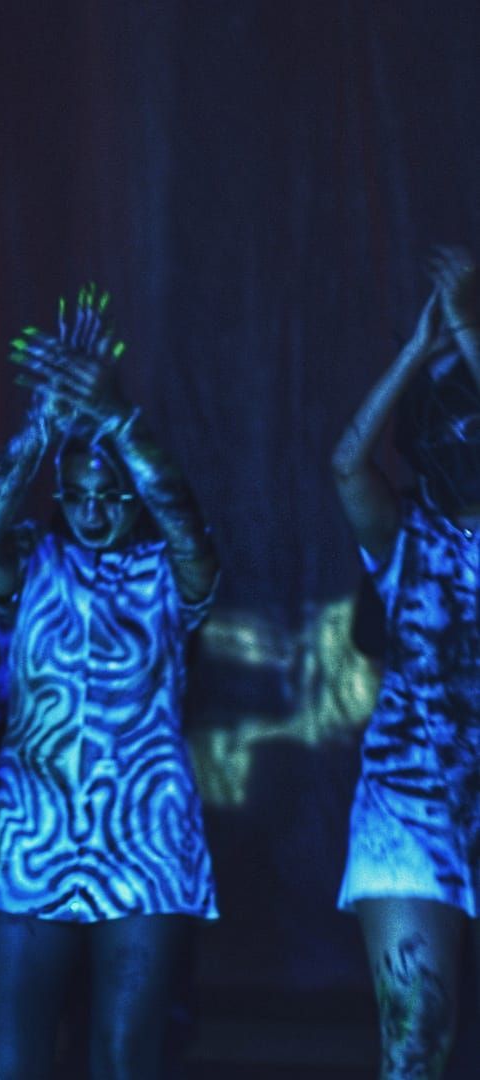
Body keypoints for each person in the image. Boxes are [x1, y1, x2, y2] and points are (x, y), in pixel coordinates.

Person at [0, 287, 218, 1079]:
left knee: (124, 1063)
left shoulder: (173, 569)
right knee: (11, 1066)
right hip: (27, 833)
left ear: (133, 491)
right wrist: (43, 425)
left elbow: (188, 524)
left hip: (145, 836)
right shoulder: (35, 560)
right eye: (78, 496)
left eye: (111, 497)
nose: (94, 513)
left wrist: (117, 416)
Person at [331, 245, 480, 1079]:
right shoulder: (405, 535)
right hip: (410, 805)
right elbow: (346, 463)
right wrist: (419, 349)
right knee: (415, 1044)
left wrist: (465, 323)